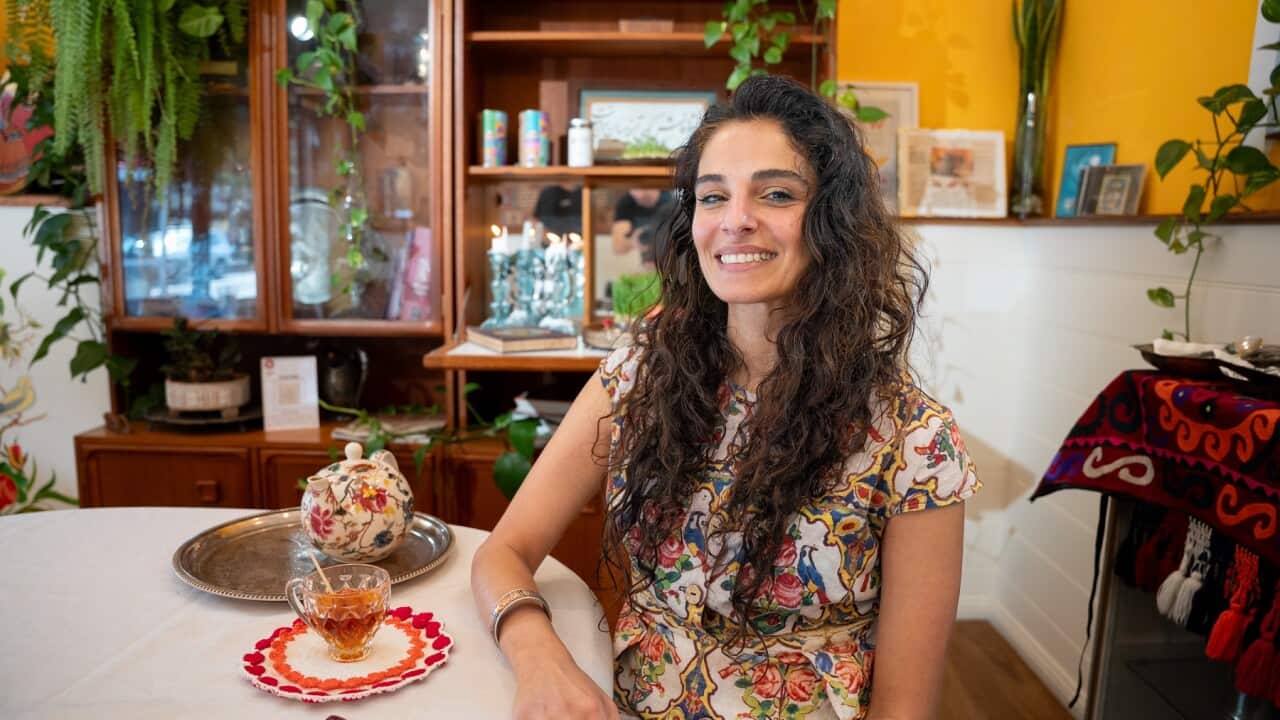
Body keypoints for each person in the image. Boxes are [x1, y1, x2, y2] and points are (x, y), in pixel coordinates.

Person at [470, 74, 980, 720]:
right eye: (714, 196)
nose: (737, 220)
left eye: (775, 193)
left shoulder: (914, 438)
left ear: (832, 219)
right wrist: (541, 658)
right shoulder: (635, 378)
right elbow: (501, 552)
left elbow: (904, 710)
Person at [611, 188, 676, 267]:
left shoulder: (672, 200)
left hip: (669, 262)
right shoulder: (626, 203)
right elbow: (618, 247)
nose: (638, 194)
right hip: (645, 266)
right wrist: (632, 241)